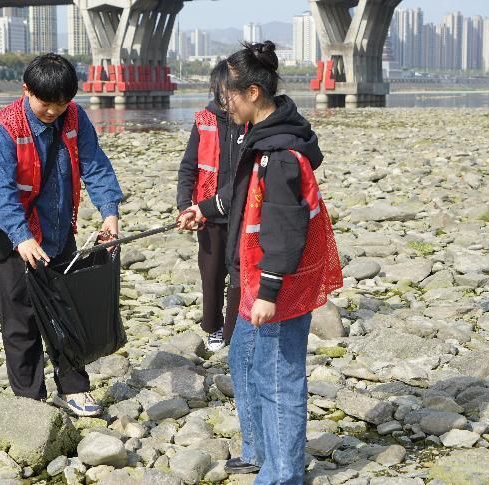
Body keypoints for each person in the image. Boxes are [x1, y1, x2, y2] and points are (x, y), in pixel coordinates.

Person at [181, 41, 343, 484]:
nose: (223, 106)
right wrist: (203, 209)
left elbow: (285, 230)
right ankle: (258, 451)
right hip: (254, 278)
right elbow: (236, 194)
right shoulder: (261, 137)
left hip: (278, 286)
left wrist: (269, 291)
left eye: (227, 97)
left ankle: (283, 474)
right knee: (242, 358)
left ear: (252, 93)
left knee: (278, 379)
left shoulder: (281, 154)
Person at [0, 53, 123, 417]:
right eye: (45, 104)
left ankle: (73, 389)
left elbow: (95, 165)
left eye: (60, 104)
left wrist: (109, 213)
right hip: (15, 242)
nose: (52, 112)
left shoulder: (74, 117)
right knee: (20, 321)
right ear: (26, 90)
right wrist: (22, 236)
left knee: (67, 312)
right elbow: (1, 192)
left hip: (60, 232)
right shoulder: (5, 128)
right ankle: (29, 400)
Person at [177, 60, 244, 352]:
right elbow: (188, 167)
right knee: (211, 274)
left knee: (239, 274)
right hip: (209, 213)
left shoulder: (250, 121)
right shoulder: (204, 120)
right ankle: (213, 327)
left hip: (243, 213)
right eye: (223, 92)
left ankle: (233, 331)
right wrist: (185, 205)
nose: (228, 100)